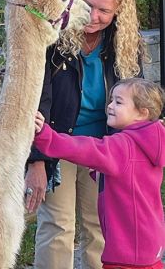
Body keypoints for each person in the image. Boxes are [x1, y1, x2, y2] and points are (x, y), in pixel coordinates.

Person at [24, 0, 145, 269]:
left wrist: (129, 156)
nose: (93, 17)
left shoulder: (125, 46)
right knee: (58, 227)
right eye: (88, 5)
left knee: (99, 226)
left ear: (118, 13)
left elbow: (137, 106)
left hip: (104, 149)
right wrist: (36, 159)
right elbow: (37, 99)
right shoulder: (54, 39)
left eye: (104, 11)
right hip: (56, 143)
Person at [33, 77, 165, 269]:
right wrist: (101, 173)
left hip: (126, 254)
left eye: (118, 102)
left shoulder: (123, 145)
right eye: (111, 100)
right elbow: (134, 178)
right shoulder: (152, 141)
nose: (110, 106)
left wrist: (45, 135)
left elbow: (82, 148)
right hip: (149, 245)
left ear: (142, 113)